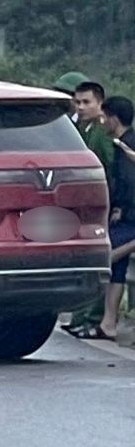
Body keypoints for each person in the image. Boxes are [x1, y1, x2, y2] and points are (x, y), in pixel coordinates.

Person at [74, 96, 135, 341]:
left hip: (132, 219)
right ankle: (108, 323)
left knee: (106, 254)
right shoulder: (121, 143)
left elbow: (130, 184)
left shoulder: (124, 145)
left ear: (113, 119)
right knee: (117, 269)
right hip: (126, 214)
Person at [62, 82, 115, 334]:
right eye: (78, 102)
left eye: (87, 102)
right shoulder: (83, 128)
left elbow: (110, 168)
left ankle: (91, 317)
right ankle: (80, 316)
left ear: (100, 104)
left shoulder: (102, 132)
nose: (81, 107)